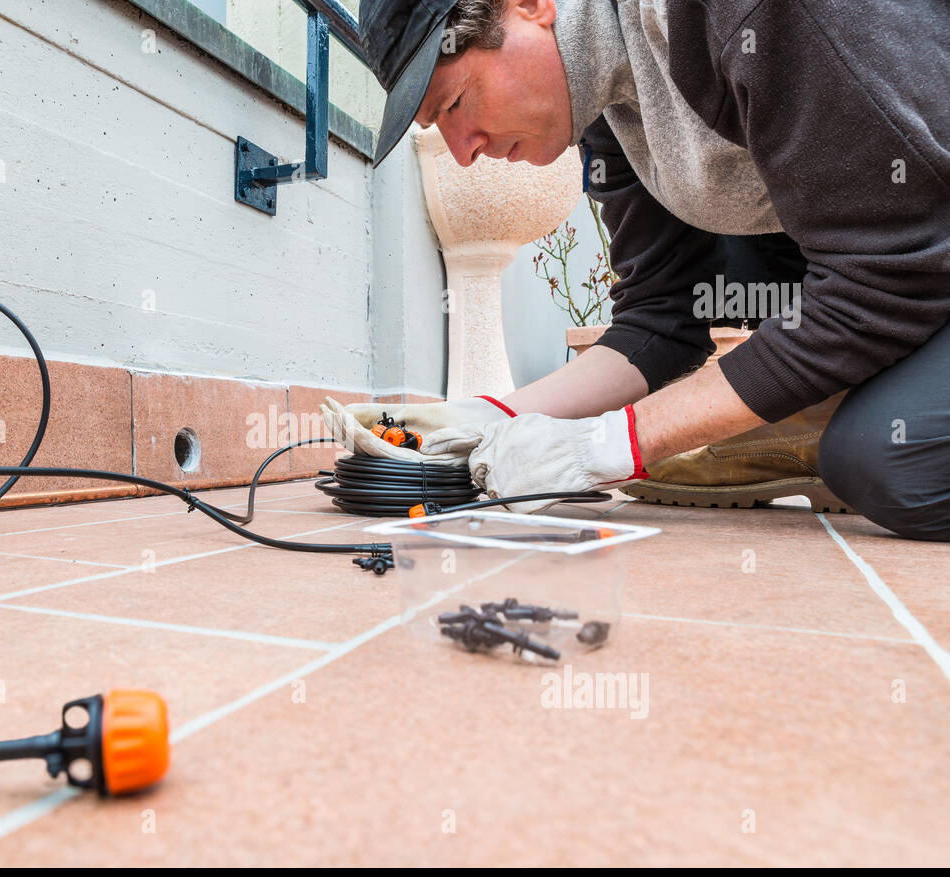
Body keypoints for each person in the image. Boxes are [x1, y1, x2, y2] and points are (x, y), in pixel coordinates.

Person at [325, 0, 949, 539]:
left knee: (893, 464)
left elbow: (883, 278)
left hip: (914, 251)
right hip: (902, 253)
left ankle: (837, 411)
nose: (464, 154)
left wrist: (609, 446)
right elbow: (660, 316)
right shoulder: (602, 102)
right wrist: (490, 416)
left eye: (457, 103)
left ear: (529, 4)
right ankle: (822, 402)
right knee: (737, 269)